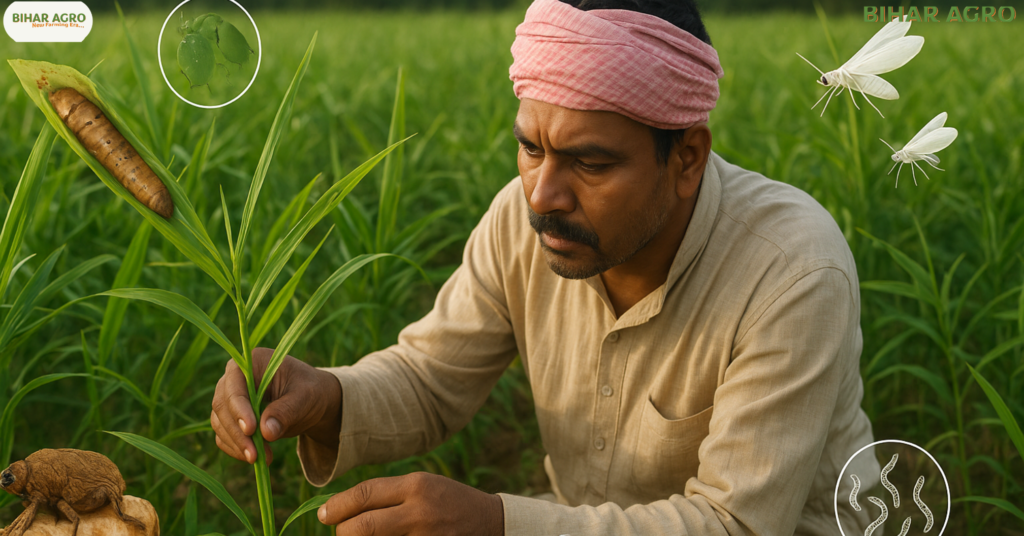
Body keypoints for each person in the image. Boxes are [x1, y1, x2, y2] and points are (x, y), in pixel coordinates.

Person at [211, 0, 881, 534]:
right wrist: (328, 398)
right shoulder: (524, 219)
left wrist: (497, 523)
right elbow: (430, 378)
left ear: (686, 159)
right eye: (530, 148)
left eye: (591, 163)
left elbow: (732, 524)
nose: (543, 195)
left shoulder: (791, 270)